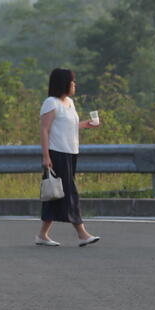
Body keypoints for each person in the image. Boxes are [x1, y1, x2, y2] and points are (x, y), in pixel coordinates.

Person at [38, 67, 100, 247]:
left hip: (71, 152)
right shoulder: (51, 103)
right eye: (72, 82)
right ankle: (82, 233)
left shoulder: (70, 103)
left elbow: (69, 125)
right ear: (64, 83)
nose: (75, 85)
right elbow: (45, 129)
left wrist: (86, 124)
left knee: (57, 194)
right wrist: (46, 156)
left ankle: (42, 235)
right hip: (57, 153)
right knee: (70, 193)